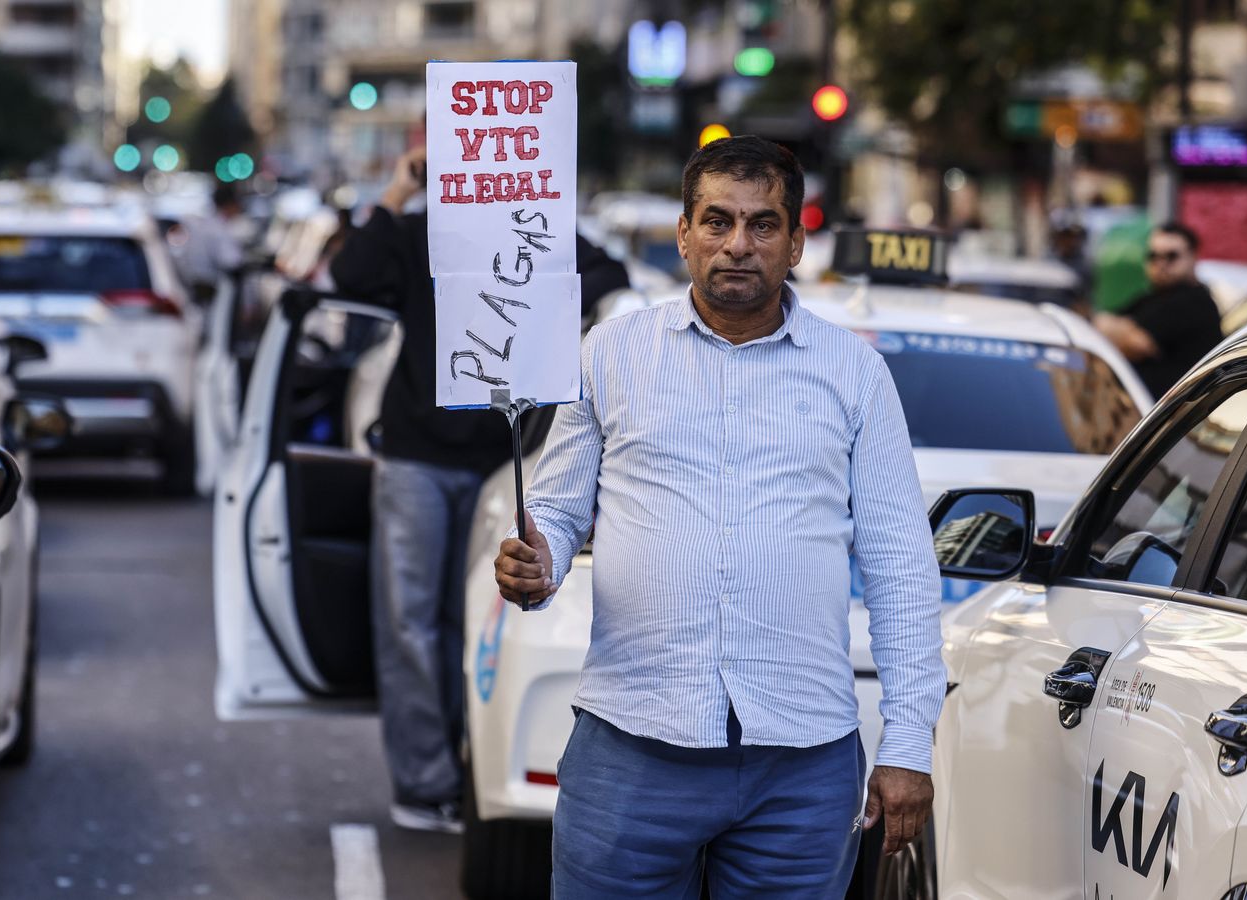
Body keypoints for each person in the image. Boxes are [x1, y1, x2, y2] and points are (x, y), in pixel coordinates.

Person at [493, 136, 944, 896]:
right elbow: (559, 511)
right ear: (684, 234)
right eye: (717, 222)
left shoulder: (854, 372)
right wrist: (536, 560)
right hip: (631, 745)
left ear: (797, 242)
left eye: (763, 225)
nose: (739, 245)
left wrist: (907, 747)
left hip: (800, 765)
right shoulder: (611, 352)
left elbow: (902, 568)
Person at [331, 144, 629, 834]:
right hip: (416, 458)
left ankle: (470, 770)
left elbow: (608, 278)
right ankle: (426, 781)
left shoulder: (541, 237)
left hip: (506, 460)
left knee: (479, 626)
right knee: (410, 622)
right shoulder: (416, 234)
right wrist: (399, 187)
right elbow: (350, 271)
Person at [1094, 222, 1222, 399]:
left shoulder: (1194, 301)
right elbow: (1099, 324)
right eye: (1153, 256)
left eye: (1171, 256)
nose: (1161, 263)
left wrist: (1119, 332)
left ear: (1193, 257)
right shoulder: (1151, 297)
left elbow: (1135, 344)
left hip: (1169, 417)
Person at [171, 183, 245, 303]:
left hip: (193, 287)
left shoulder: (203, 224)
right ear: (231, 205)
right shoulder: (219, 229)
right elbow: (232, 261)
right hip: (212, 291)